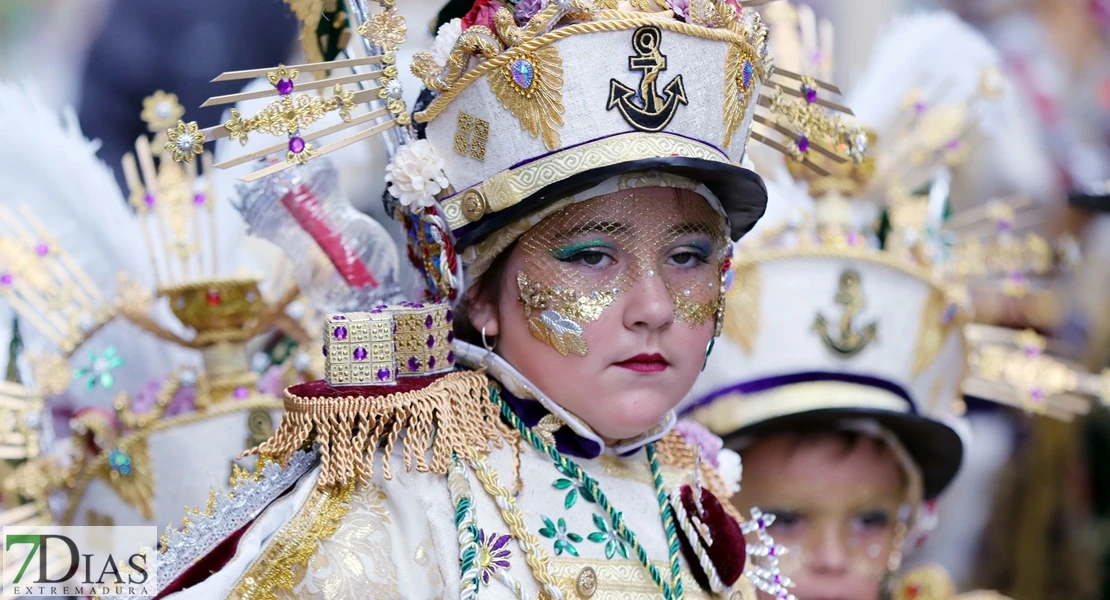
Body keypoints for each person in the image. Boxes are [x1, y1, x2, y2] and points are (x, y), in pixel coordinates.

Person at [148, 0, 861, 598]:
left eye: (687, 257)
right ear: (477, 292)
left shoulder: (690, 488)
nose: (654, 306)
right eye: (591, 257)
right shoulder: (404, 494)